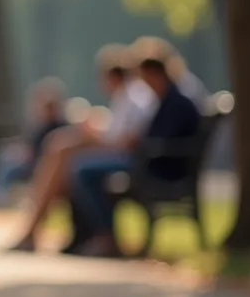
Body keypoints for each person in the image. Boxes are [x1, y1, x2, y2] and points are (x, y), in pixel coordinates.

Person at [3, 44, 156, 252]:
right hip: (122, 155)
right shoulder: (127, 97)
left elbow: (127, 142)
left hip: (131, 159)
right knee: (61, 151)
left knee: (68, 158)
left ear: (111, 77)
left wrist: (91, 136)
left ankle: (38, 230)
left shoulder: (134, 97)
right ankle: (57, 232)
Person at [68, 55, 202, 258]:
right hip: (153, 163)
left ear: (155, 75)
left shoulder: (175, 104)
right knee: (83, 168)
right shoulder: (167, 100)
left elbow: (159, 142)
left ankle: (106, 237)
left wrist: (134, 145)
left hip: (160, 168)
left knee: (84, 171)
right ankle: (96, 236)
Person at [0, 78, 69, 210]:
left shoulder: (60, 126)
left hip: (38, 163)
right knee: (4, 157)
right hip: (33, 159)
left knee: (9, 166)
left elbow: (39, 150)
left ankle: (1, 195)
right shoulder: (43, 125)